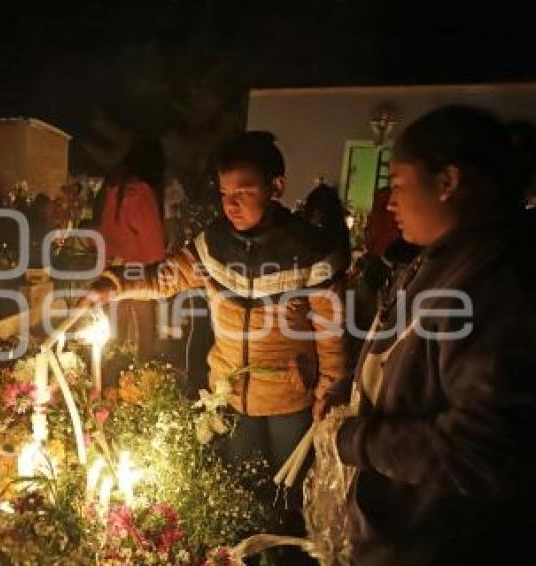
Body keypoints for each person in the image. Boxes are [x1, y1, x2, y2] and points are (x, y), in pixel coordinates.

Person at [335, 106, 536, 564]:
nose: (389, 202)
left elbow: (482, 450)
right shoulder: (443, 260)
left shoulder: (503, 285)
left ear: (447, 183)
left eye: (400, 184)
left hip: (445, 546)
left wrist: (357, 439)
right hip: (404, 536)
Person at [87, 131, 348, 472]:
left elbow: (331, 329)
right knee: (240, 477)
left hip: (290, 397)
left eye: (244, 192)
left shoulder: (309, 251)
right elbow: (167, 276)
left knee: (290, 486)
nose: (231, 205)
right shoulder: (214, 244)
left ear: (276, 187)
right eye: (225, 193)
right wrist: (113, 285)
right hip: (231, 391)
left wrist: (331, 388)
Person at [95, 139, 167, 361]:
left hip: (115, 269)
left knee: (116, 330)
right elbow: (152, 238)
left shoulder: (112, 190)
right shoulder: (141, 193)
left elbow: (104, 232)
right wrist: (160, 265)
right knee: (145, 329)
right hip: (140, 272)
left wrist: (104, 267)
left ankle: (113, 373)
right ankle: (141, 377)